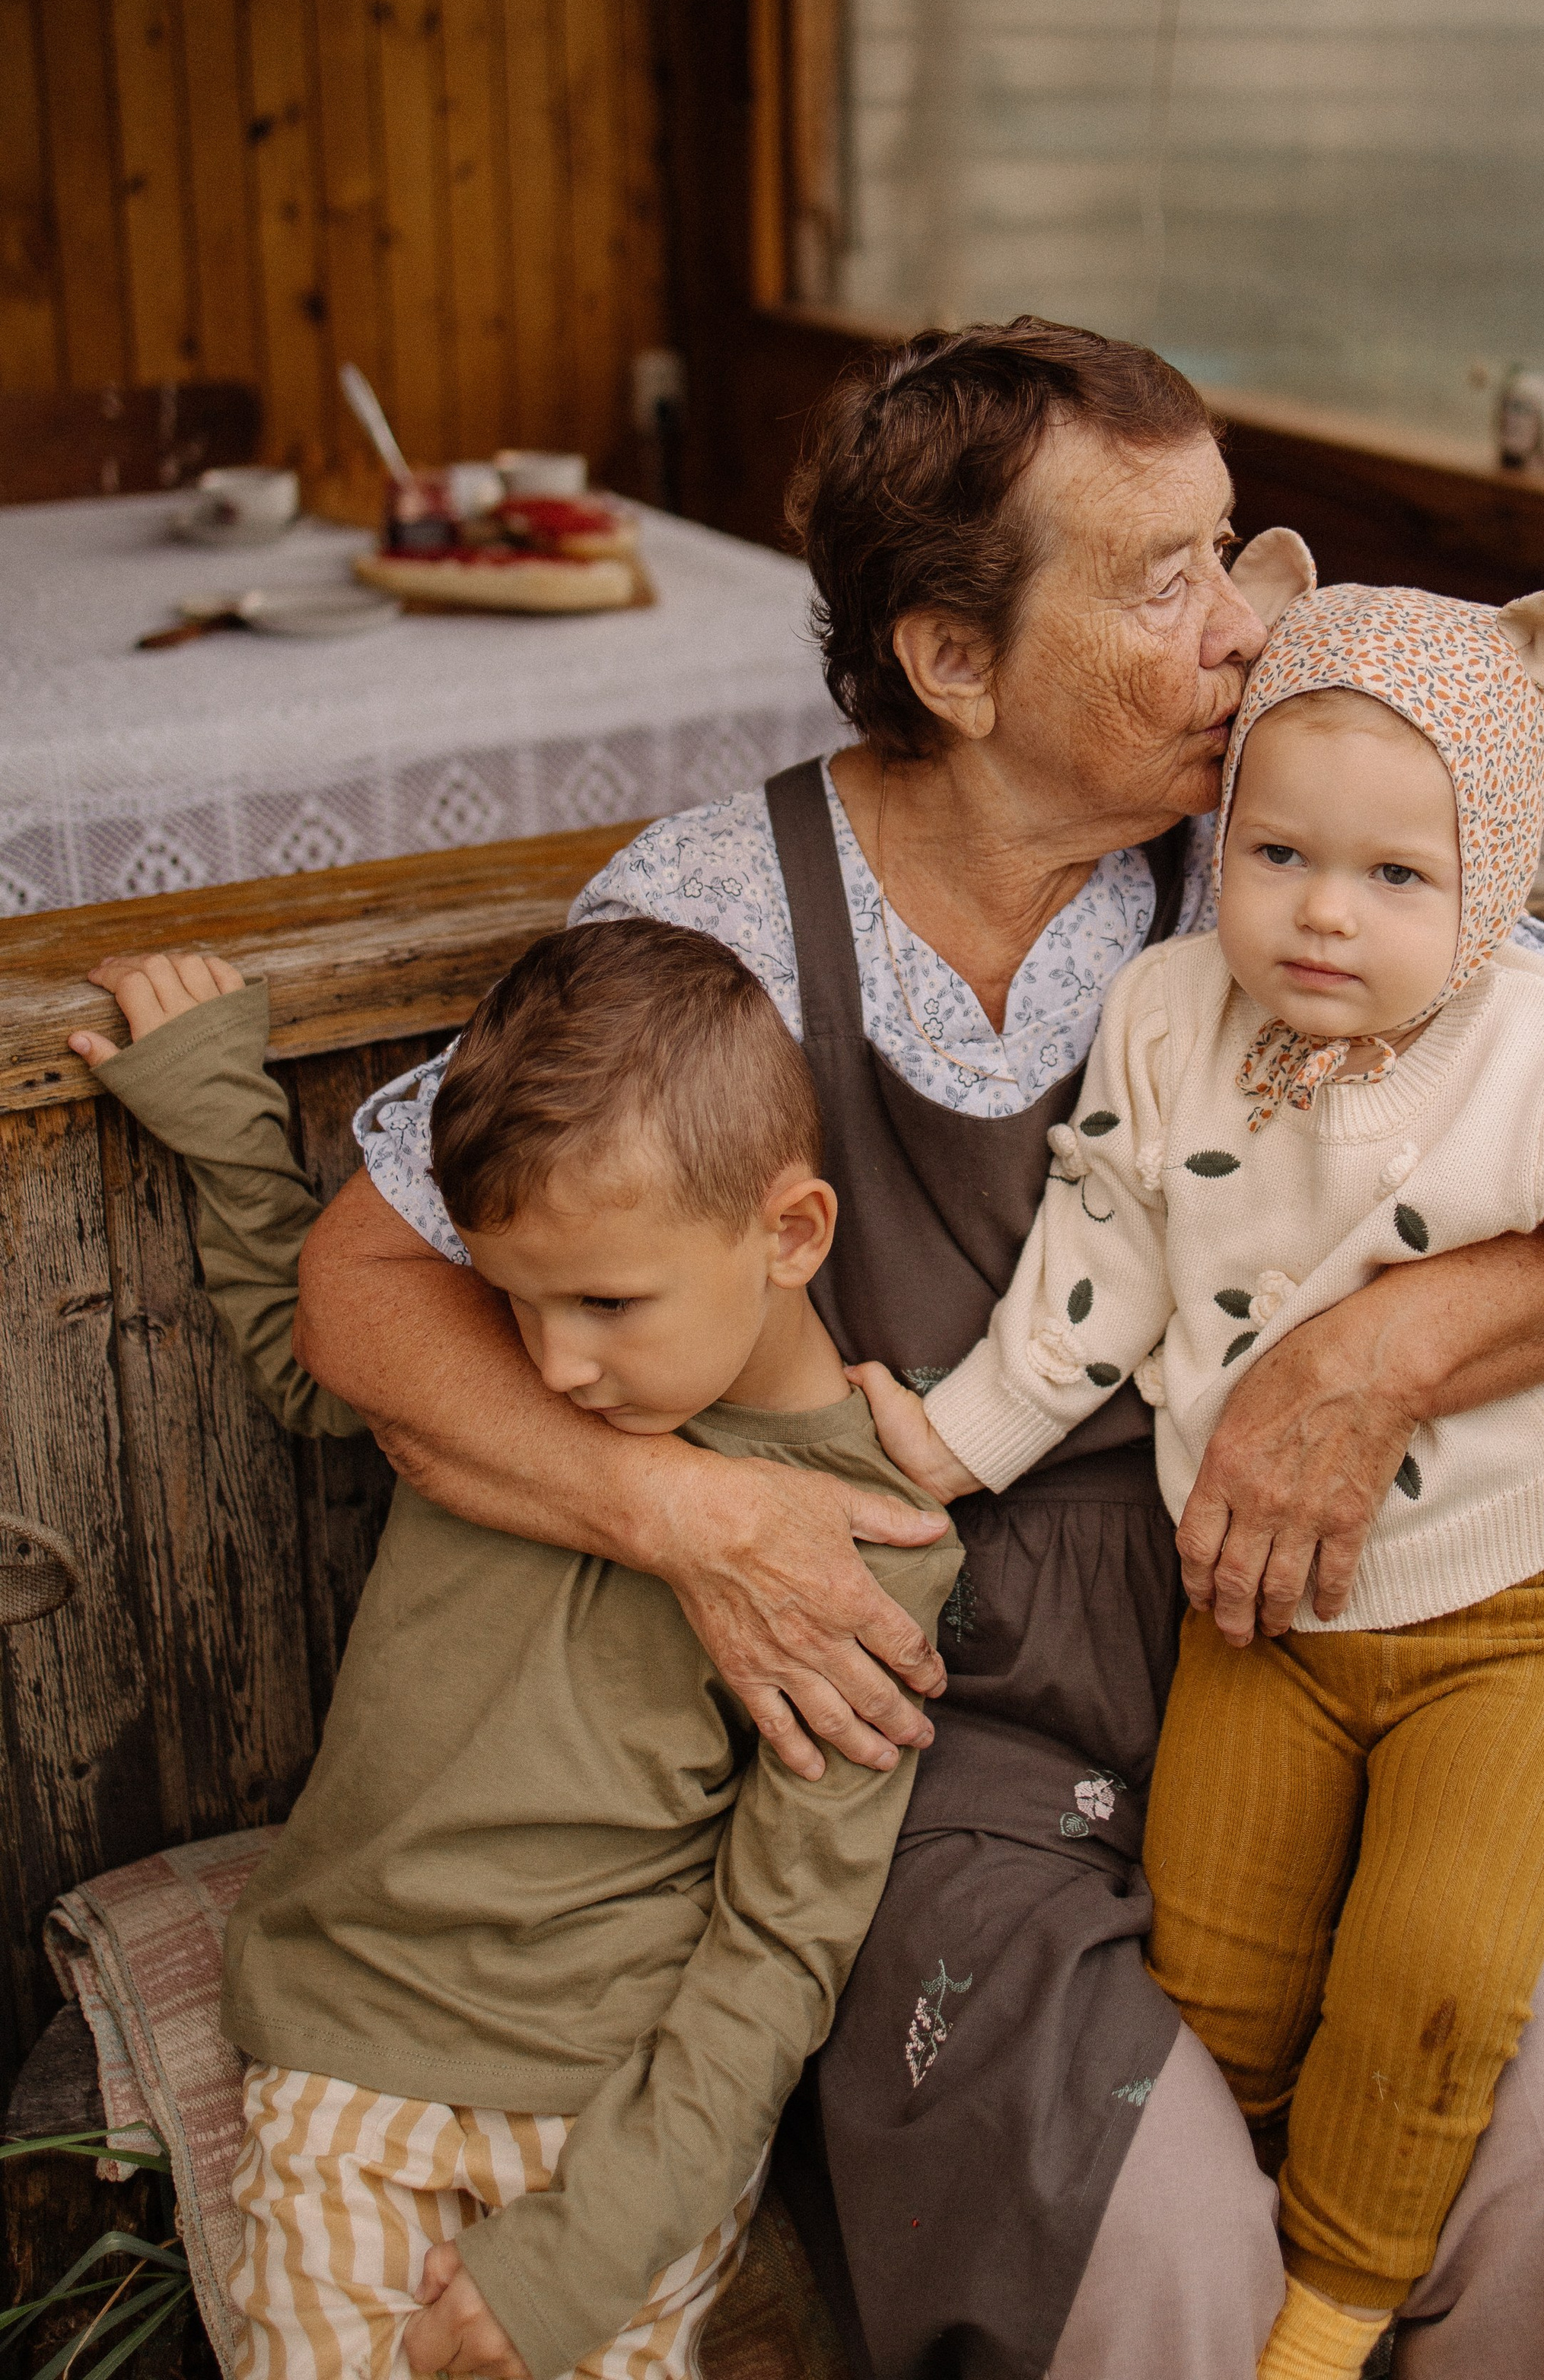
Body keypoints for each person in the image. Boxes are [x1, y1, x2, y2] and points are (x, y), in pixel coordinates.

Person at [293, 318, 1544, 2380]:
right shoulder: (723, 914)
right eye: (1164, 581)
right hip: (946, 1727)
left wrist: (1382, 1353)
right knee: (1145, 2225)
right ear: (954, 661)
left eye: (1227, 551)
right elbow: (361, 1285)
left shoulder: (1299, 852)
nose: (1245, 631)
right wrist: (683, 1514)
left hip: (1346, 1643)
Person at [858, 571, 1544, 2380]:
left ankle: (1336, 2310)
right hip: (1263, 1621)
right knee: (1215, 1974)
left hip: (1502, 1628)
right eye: (1278, 854)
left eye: (1394, 876)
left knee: (1434, 1973)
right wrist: (952, 1439)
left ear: (1489, 882)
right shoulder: (1169, 1017)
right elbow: (1094, 1268)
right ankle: (1230, 2261)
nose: (1320, 912)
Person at [71, 924, 962, 2380]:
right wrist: (221, 1108)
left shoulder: (870, 1552)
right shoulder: (507, 1394)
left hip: (610, 2120)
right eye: (514, 1300)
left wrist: (589, 2250)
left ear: (792, 1235)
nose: (552, 1365)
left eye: (607, 1303)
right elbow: (311, 1362)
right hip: (349, 2051)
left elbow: (782, 1943)